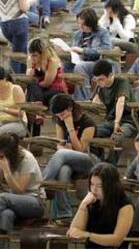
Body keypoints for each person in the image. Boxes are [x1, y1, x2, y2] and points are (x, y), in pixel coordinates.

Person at [43, 93, 98, 221]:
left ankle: (43, 183)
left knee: (62, 154)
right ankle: (64, 214)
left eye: (62, 115)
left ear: (70, 108)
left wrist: (70, 128)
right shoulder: (59, 121)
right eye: (58, 116)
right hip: (69, 160)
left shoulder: (88, 123)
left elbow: (81, 149)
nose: (61, 119)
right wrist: (62, 147)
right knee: (63, 171)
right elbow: (59, 144)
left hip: (90, 160)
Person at [67, 163, 134, 248]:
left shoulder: (125, 205)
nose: (94, 189)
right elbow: (73, 231)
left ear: (111, 186)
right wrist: (83, 204)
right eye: (92, 184)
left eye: (99, 186)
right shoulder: (90, 201)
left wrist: (87, 235)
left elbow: (116, 240)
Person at [92, 60, 137, 162]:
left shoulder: (121, 81)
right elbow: (94, 102)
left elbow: (121, 101)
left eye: (101, 79)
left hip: (128, 121)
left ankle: (110, 166)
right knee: (93, 132)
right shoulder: (100, 86)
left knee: (116, 138)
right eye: (96, 80)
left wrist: (117, 122)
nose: (98, 82)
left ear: (110, 75)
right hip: (110, 121)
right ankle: (99, 162)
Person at [0, 134, 44, 234]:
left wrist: (7, 172)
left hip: (35, 201)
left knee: (2, 198)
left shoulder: (27, 159)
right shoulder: (4, 158)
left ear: (9, 153)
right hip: (12, 202)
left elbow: (19, 190)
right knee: (6, 214)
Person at [26, 38, 68, 136]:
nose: (33, 58)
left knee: (32, 98)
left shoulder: (52, 61)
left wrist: (34, 80)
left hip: (55, 91)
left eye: (35, 55)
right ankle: (33, 131)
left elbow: (47, 83)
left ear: (43, 54)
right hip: (39, 93)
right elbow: (28, 80)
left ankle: (36, 120)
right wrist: (30, 73)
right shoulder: (30, 59)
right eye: (31, 55)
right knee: (31, 101)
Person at [69, 8, 112, 100]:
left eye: (83, 24)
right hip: (80, 60)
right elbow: (75, 49)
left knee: (80, 67)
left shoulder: (102, 33)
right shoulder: (77, 34)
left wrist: (83, 51)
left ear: (91, 24)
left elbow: (106, 49)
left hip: (96, 62)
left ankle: (84, 100)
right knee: (65, 65)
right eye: (79, 23)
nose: (80, 26)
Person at [0, 0, 29, 74]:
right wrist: (29, 4)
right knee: (17, 54)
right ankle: (16, 79)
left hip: (5, 24)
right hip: (18, 23)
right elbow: (23, 8)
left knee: (22, 49)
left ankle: (23, 74)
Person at [0, 68, 26, 138]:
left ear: (5, 79)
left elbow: (21, 113)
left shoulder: (15, 89)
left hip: (17, 123)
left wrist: (3, 109)